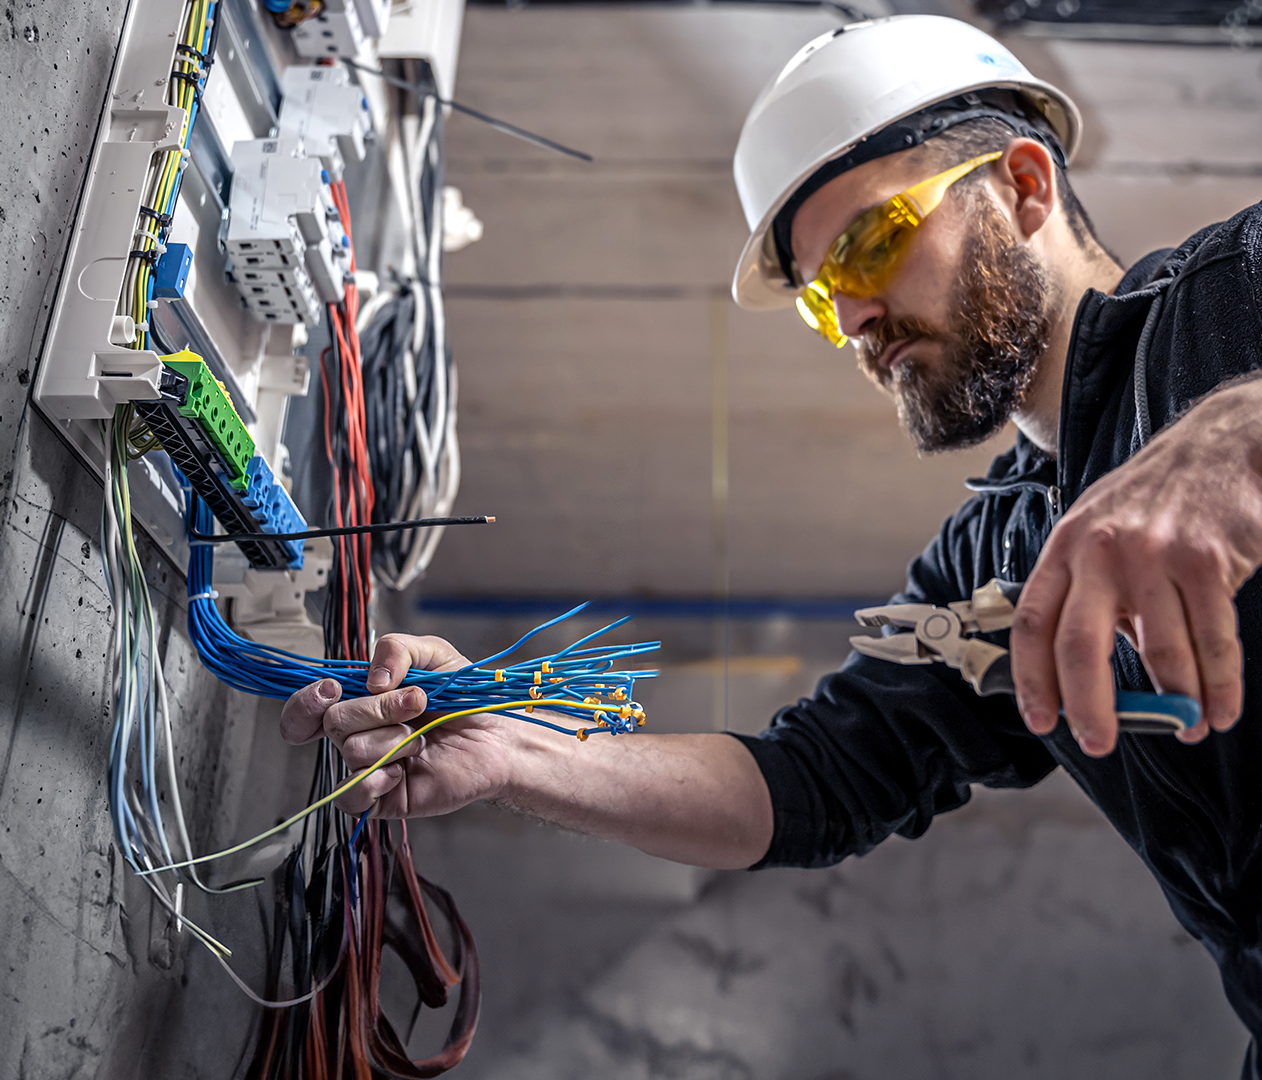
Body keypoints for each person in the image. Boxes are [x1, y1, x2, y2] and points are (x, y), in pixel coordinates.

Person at [280, 13, 1262, 1072]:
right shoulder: (993, 561)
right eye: (822, 302)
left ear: (1024, 186)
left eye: (872, 243)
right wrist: (521, 750)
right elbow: (804, 786)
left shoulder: (1232, 299)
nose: (855, 316)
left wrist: (1233, 429)